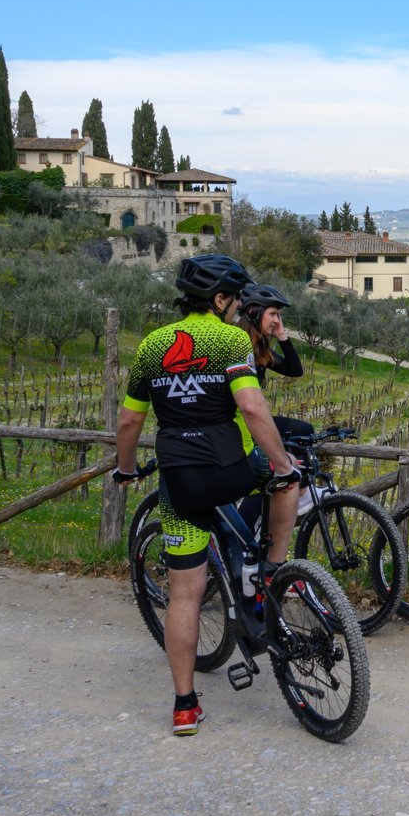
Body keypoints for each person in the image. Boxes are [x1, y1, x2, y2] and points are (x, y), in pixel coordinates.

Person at [112, 254, 302, 736]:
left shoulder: (152, 346)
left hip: (180, 480)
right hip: (232, 468)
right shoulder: (231, 339)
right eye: (236, 301)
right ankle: (273, 570)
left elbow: (130, 420)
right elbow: (254, 409)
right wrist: (280, 465)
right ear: (219, 300)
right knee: (288, 480)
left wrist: (127, 470)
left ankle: (184, 707)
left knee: (185, 596)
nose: (240, 309)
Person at [237, 282, 315, 444]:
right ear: (253, 312)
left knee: (305, 432)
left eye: (279, 315)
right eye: (272, 314)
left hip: (251, 419)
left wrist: (281, 335)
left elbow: (294, 370)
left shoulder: (260, 350)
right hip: (238, 423)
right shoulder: (237, 344)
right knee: (303, 431)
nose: (277, 320)